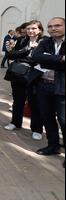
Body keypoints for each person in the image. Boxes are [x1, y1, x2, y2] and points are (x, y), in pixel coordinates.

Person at [4, 20, 46, 140]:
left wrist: (22, 57)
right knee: (18, 100)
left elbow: (39, 59)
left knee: (34, 103)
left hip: (35, 76)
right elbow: (11, 55)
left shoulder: (45, 42)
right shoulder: (23, 40)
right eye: (28, 29)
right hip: (18, 74)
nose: (30, 31)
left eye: (33, 28)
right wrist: (26, 51)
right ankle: (15, 123)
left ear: (39, 30)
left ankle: (37, 129)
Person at [32, 17, 65, 164]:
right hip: (43, 84)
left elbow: (43, 59)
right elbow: (36, 56)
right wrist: (60, 59)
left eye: (57, 25)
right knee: (47, 116)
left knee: (64, 120)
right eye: (50, 26)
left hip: (62, 86)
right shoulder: (45, 42)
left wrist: (48, 58)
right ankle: (53, 146)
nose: (53, 28)